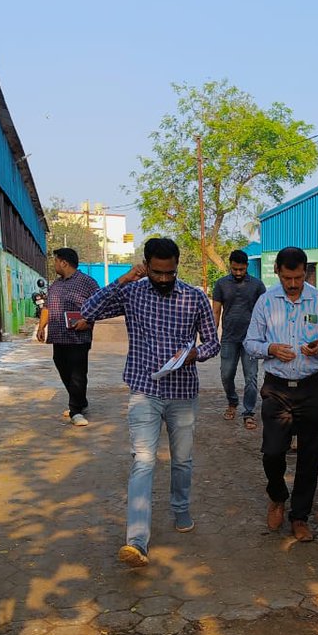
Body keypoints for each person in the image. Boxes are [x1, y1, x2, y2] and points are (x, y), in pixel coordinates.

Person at [78, 238, 219, 567]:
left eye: (170, 273)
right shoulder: (131, 292)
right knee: (143, 461)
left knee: (182, 460)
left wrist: (193, 354)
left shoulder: (195, 297)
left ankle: (181, 509)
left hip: (183, 391)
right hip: (144, 390)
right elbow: (88, 312)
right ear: (146, 266)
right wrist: (124, 278)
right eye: (157, 273)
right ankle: (137, 541)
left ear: (177, 266)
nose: (164, 279)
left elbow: (213, 343)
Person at [244, 247, 318, 542]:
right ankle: (277, 495)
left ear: (305, 272)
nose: (293, 284)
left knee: (310, 456)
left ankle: (300, 516)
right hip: (276, 387)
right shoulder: (266, 302)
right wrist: (270, 349)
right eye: (287, 278)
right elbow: (250, 343)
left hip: (311, 387)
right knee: (273, 451)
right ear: (277, 271)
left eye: (298, 277)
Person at [37, 248, 99, 426]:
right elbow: (47, 307)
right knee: (63, 369)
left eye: (56, 261)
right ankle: (80, 401)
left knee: (78, 374)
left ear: (64, 262)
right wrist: (42, 327)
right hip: (58, 337)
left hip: (78, 338)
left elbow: (100, 303)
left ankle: (76, 411)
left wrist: (88, 321)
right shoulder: (55, 285)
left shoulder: (87, 282)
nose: (54, 264)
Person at [211, 249, 267, 430]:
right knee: (226, 374)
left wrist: (265, 336)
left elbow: (265, 312)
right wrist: (212, 334)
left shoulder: (257, 285)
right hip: (228, 338)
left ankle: (248, 412)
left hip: (252, 340)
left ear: (246, 267)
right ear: (230, 266)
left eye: (241, 270)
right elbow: (216, 310)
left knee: (251, 377)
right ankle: (232, 401)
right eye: (235, 269)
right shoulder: (220, 284)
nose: (238, 273)